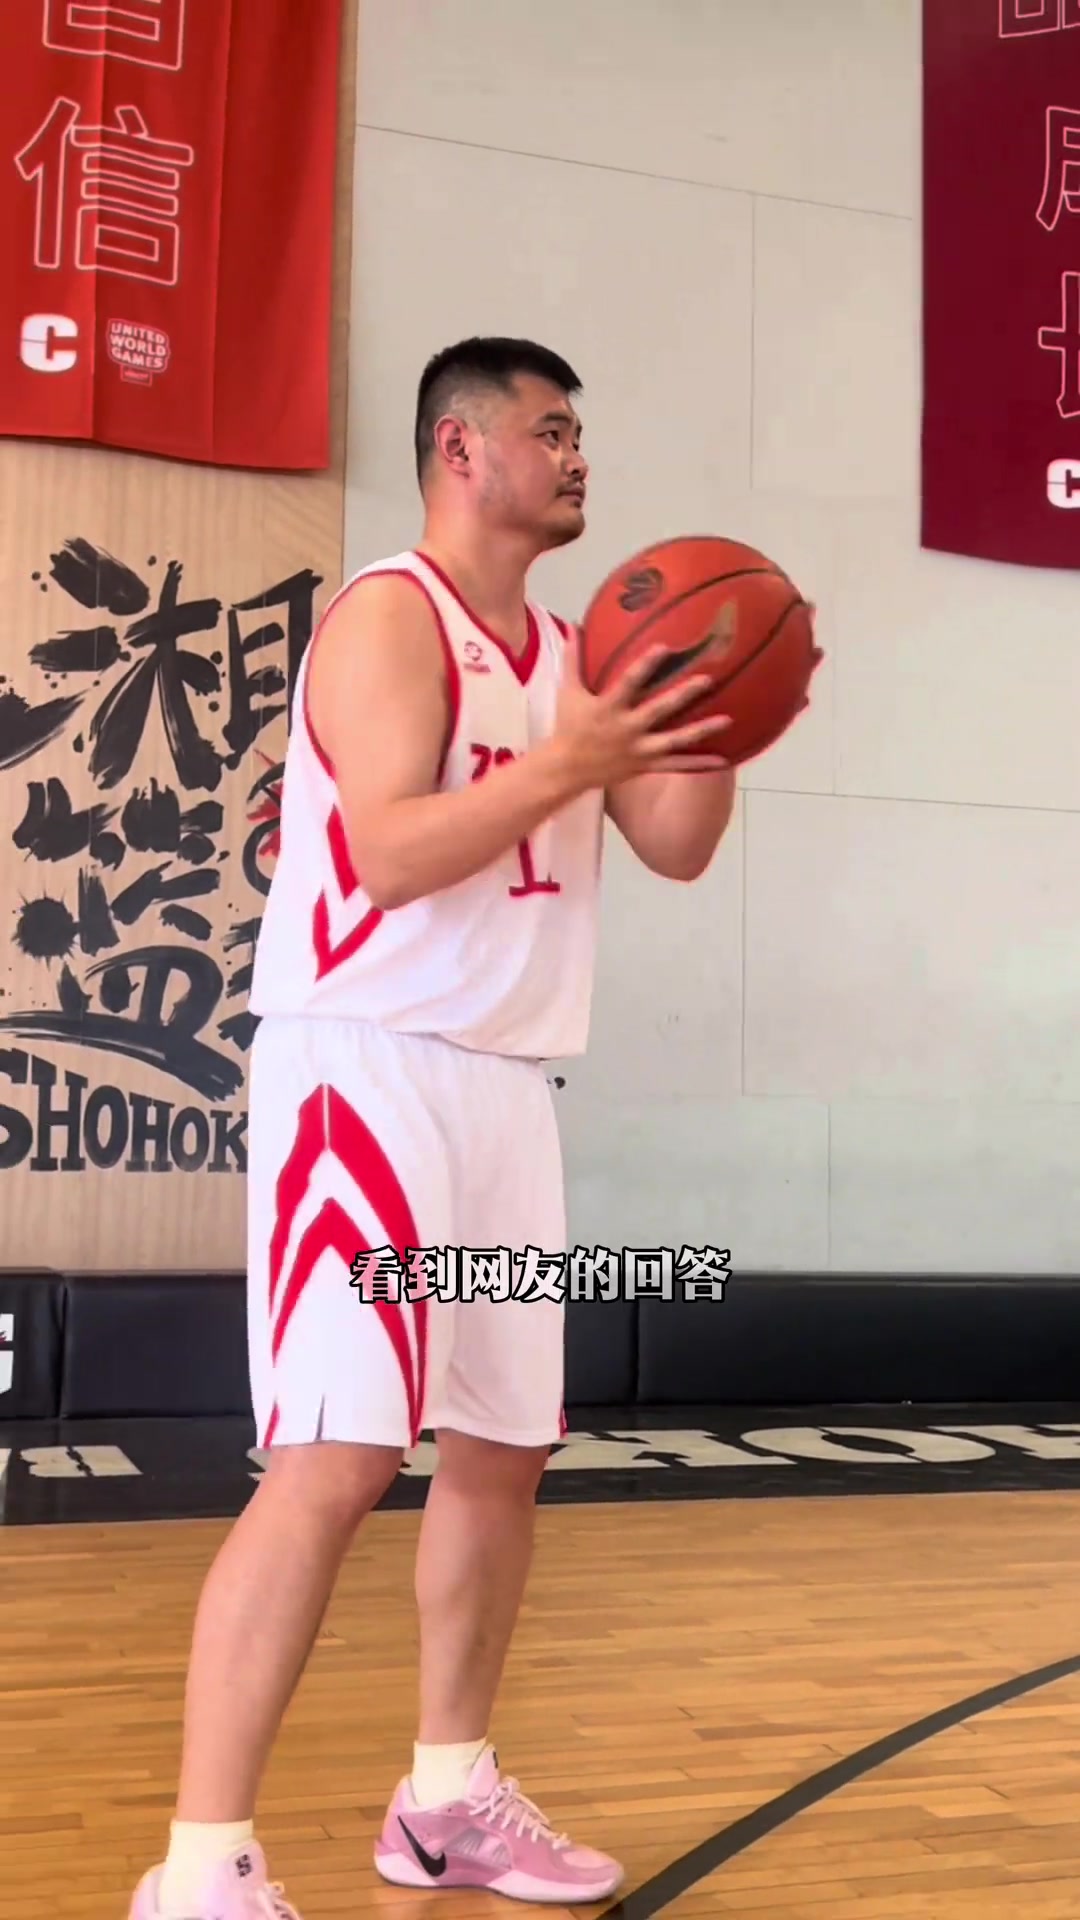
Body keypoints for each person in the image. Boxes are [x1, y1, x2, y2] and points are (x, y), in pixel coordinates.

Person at [129, 336, 752, 1920]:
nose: (579, 454)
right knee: (334, 1462)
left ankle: (448, 1799)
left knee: (500, 1455)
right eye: (551, 429)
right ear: (461, 450)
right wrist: (569, 758)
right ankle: (199, 1868)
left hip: (505, 1091)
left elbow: (675, 845)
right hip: (367, 1077)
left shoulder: (581, 653)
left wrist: (716, 711)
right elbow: (392, 853)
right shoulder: (388, 615)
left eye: (581, 431)